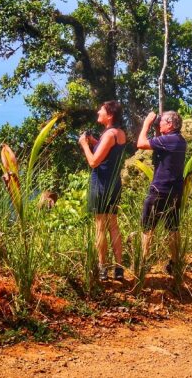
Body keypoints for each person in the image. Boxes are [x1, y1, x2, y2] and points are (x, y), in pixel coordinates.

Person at [78, 100, 127, 281]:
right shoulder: (119, 133)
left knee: (100, 226)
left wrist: (84, 144)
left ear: (110, 115)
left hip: (101, 184)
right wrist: (95, 142)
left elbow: (93, 162)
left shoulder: (109, 134)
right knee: (113, 225)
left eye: (102, 110)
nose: (98, 111)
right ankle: (119, 268)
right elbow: (109, 152)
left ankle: (102, 268)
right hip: (114, 184)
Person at [137, 109, 186, 274]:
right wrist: (158, 129)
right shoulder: (180, 140)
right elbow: (160, 144)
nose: (160, 123)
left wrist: (147, 123)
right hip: (175, 190)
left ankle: (142, 263)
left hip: (160, 190)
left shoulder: (169, 140)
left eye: (163, 121)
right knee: (173, 227)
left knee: (147, 227)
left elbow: (141, 143)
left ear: (170, 124)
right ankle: (175, 262)